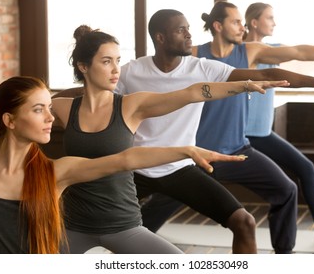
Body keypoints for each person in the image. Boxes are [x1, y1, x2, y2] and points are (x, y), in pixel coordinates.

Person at [117, 9, 314, 254]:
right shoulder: (137, 70)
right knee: (127, 229)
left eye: (188, 28)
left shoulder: (206, 66)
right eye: (181, 30)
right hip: (161, 163)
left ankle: (285, 255)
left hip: (202, 161)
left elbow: (277, 67)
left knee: (259, 210)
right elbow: (98, 99)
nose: (189, 34)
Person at [47, 25, 293, 254]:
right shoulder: (61, 108)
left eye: (118, 61)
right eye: (106, 61)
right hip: (73, 226)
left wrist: (246, 85)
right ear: (83, 67)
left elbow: (193, 92)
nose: (115, 70)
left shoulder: (131, 105)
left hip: (123, 225)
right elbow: (21, 117)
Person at [0, 76, 247, 254]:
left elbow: (125, 159)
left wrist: (186, 150)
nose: (50, 117)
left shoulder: (58, 171)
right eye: (38, 110)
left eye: (49, 107)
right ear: (10, 120)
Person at [196, 1, 314, 245]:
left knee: (290, 185)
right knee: (166, 200)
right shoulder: (204, 54)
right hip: (214, 145)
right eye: (236, 21)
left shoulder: (255, 50)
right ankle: (130, 237)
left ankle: (294, 249)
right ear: (220, 26)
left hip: (242, 143)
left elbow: (303, 51)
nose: (274, 22)